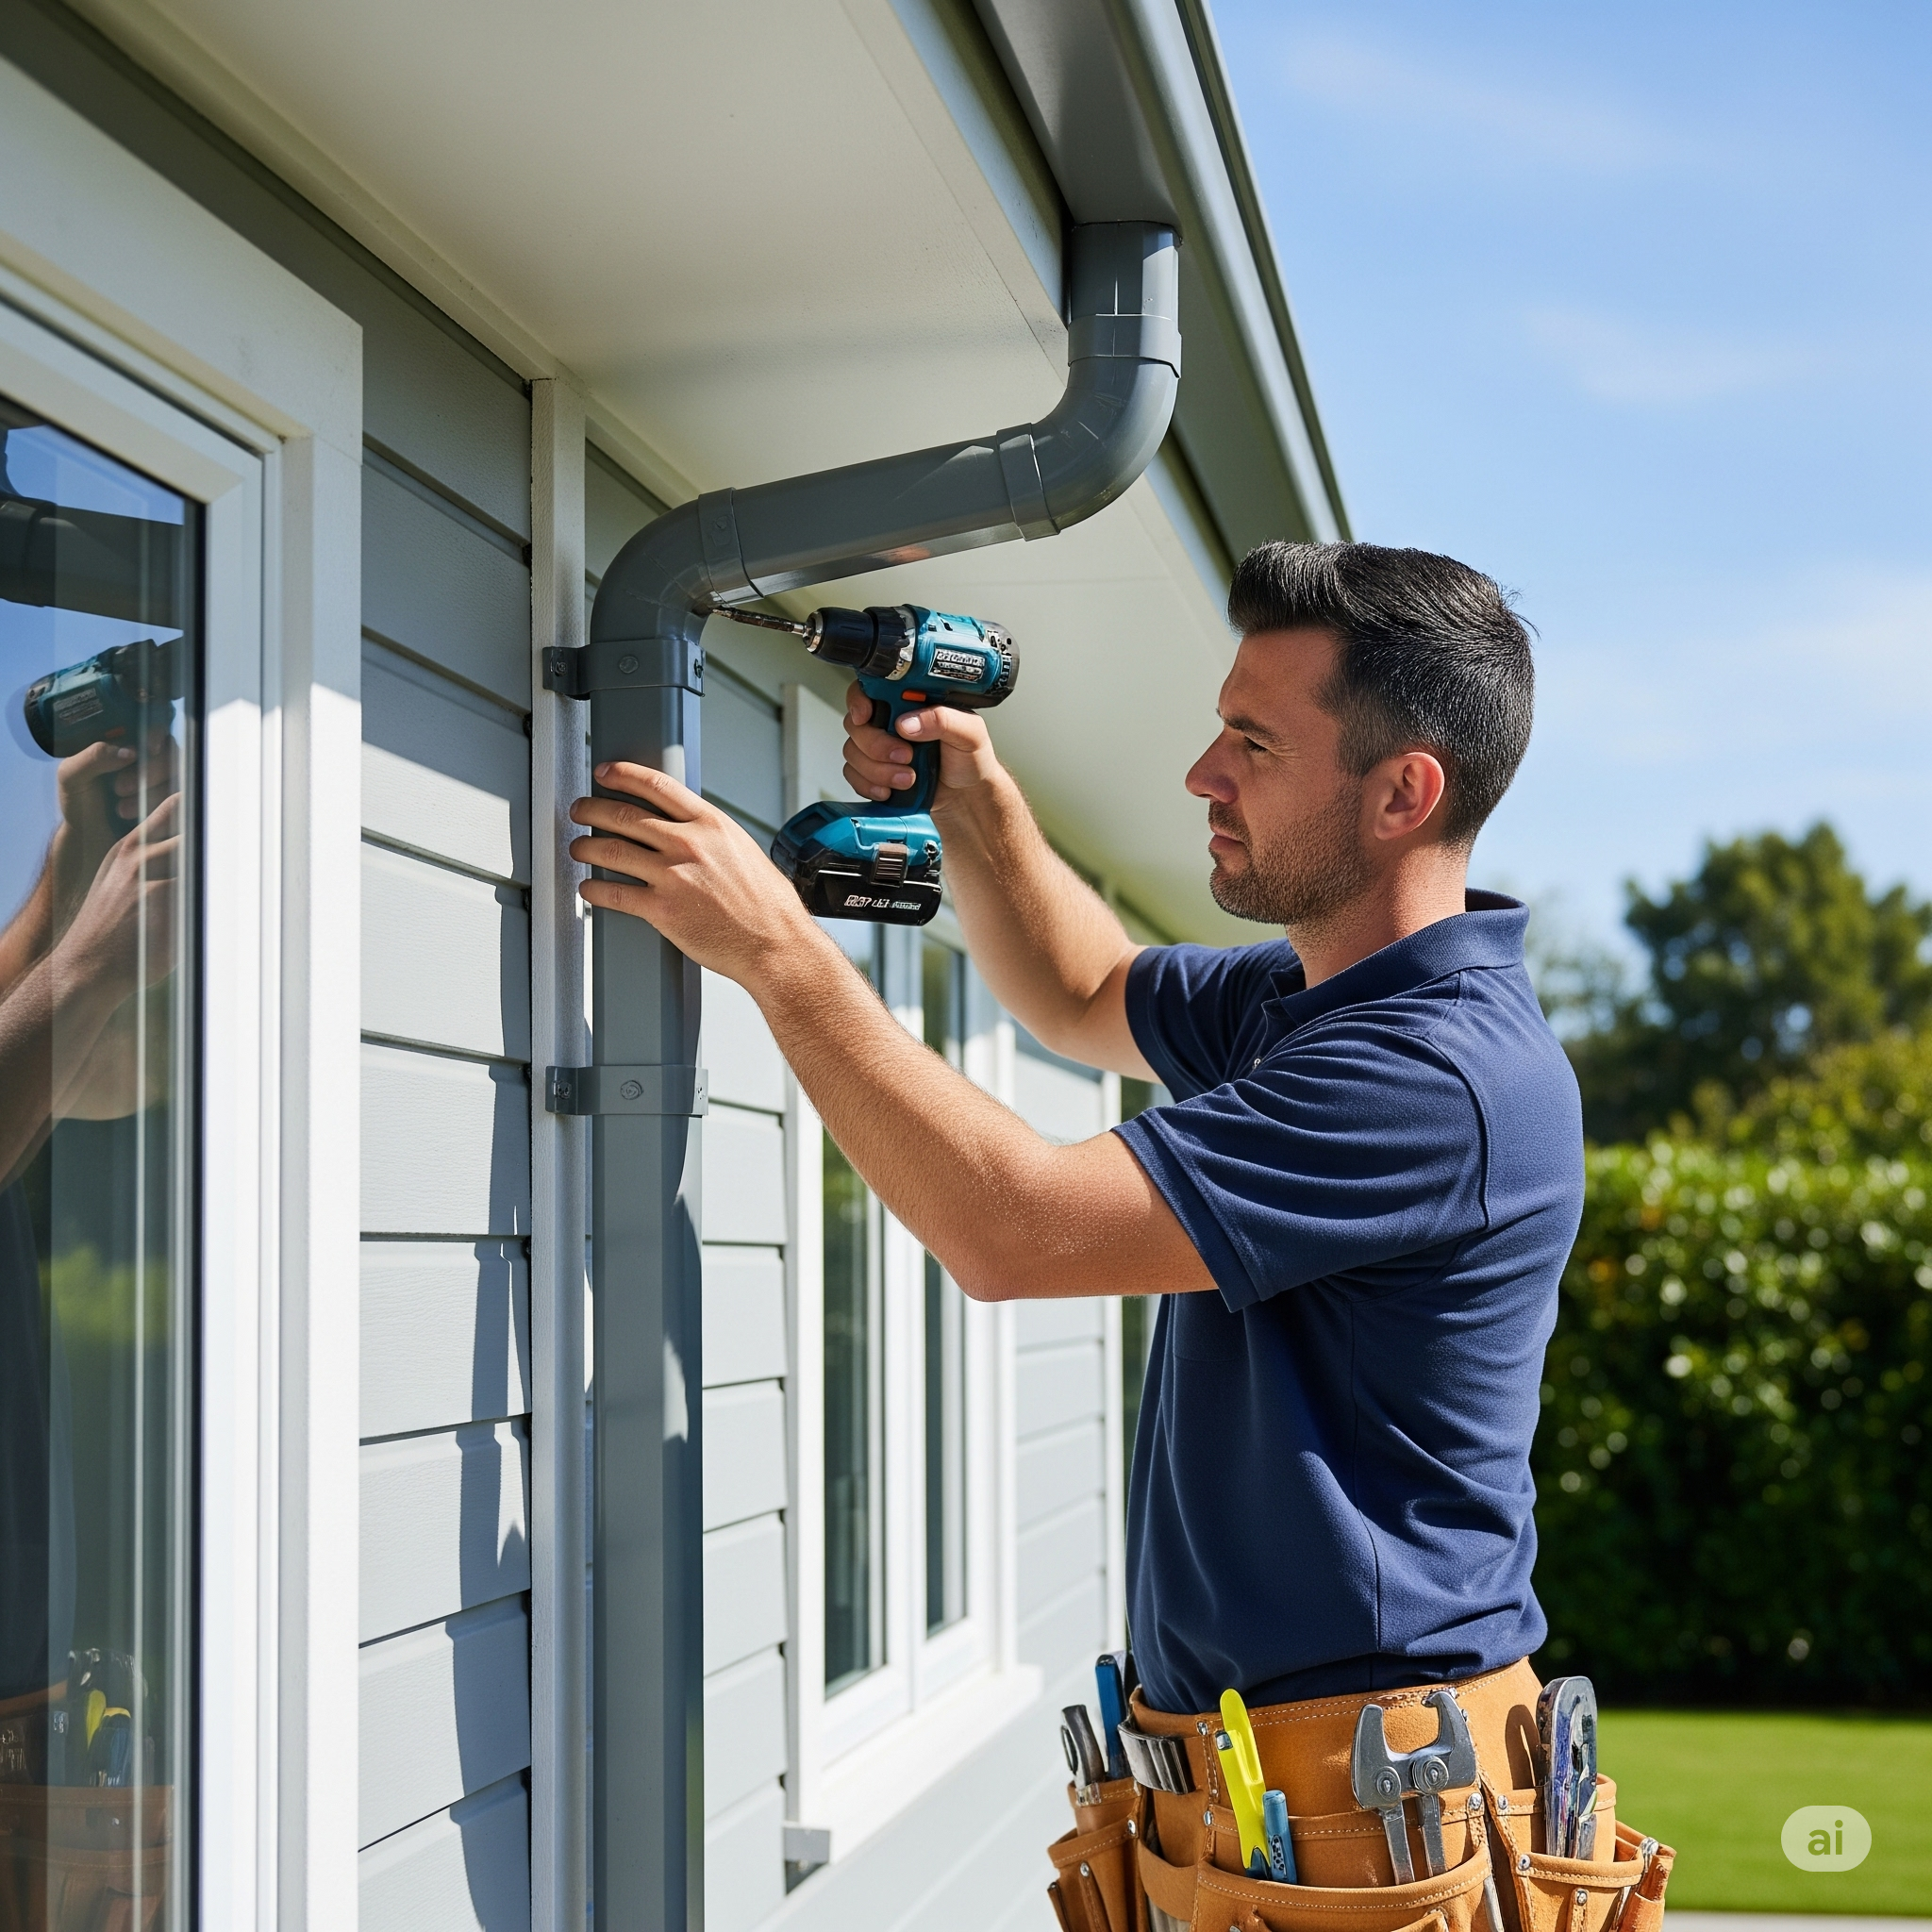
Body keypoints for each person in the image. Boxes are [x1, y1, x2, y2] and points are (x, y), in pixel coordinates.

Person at [567, 540, 1582, 1721]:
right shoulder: (1301, 1000)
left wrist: (775, 950)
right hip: (1272, 1788)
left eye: (1253, 744)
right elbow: (1082, 987)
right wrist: (976, 801)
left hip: (1363, 1818)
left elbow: (1015, 1230)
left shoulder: (1430, 1076)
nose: (1204, 774)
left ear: (1403, 792)